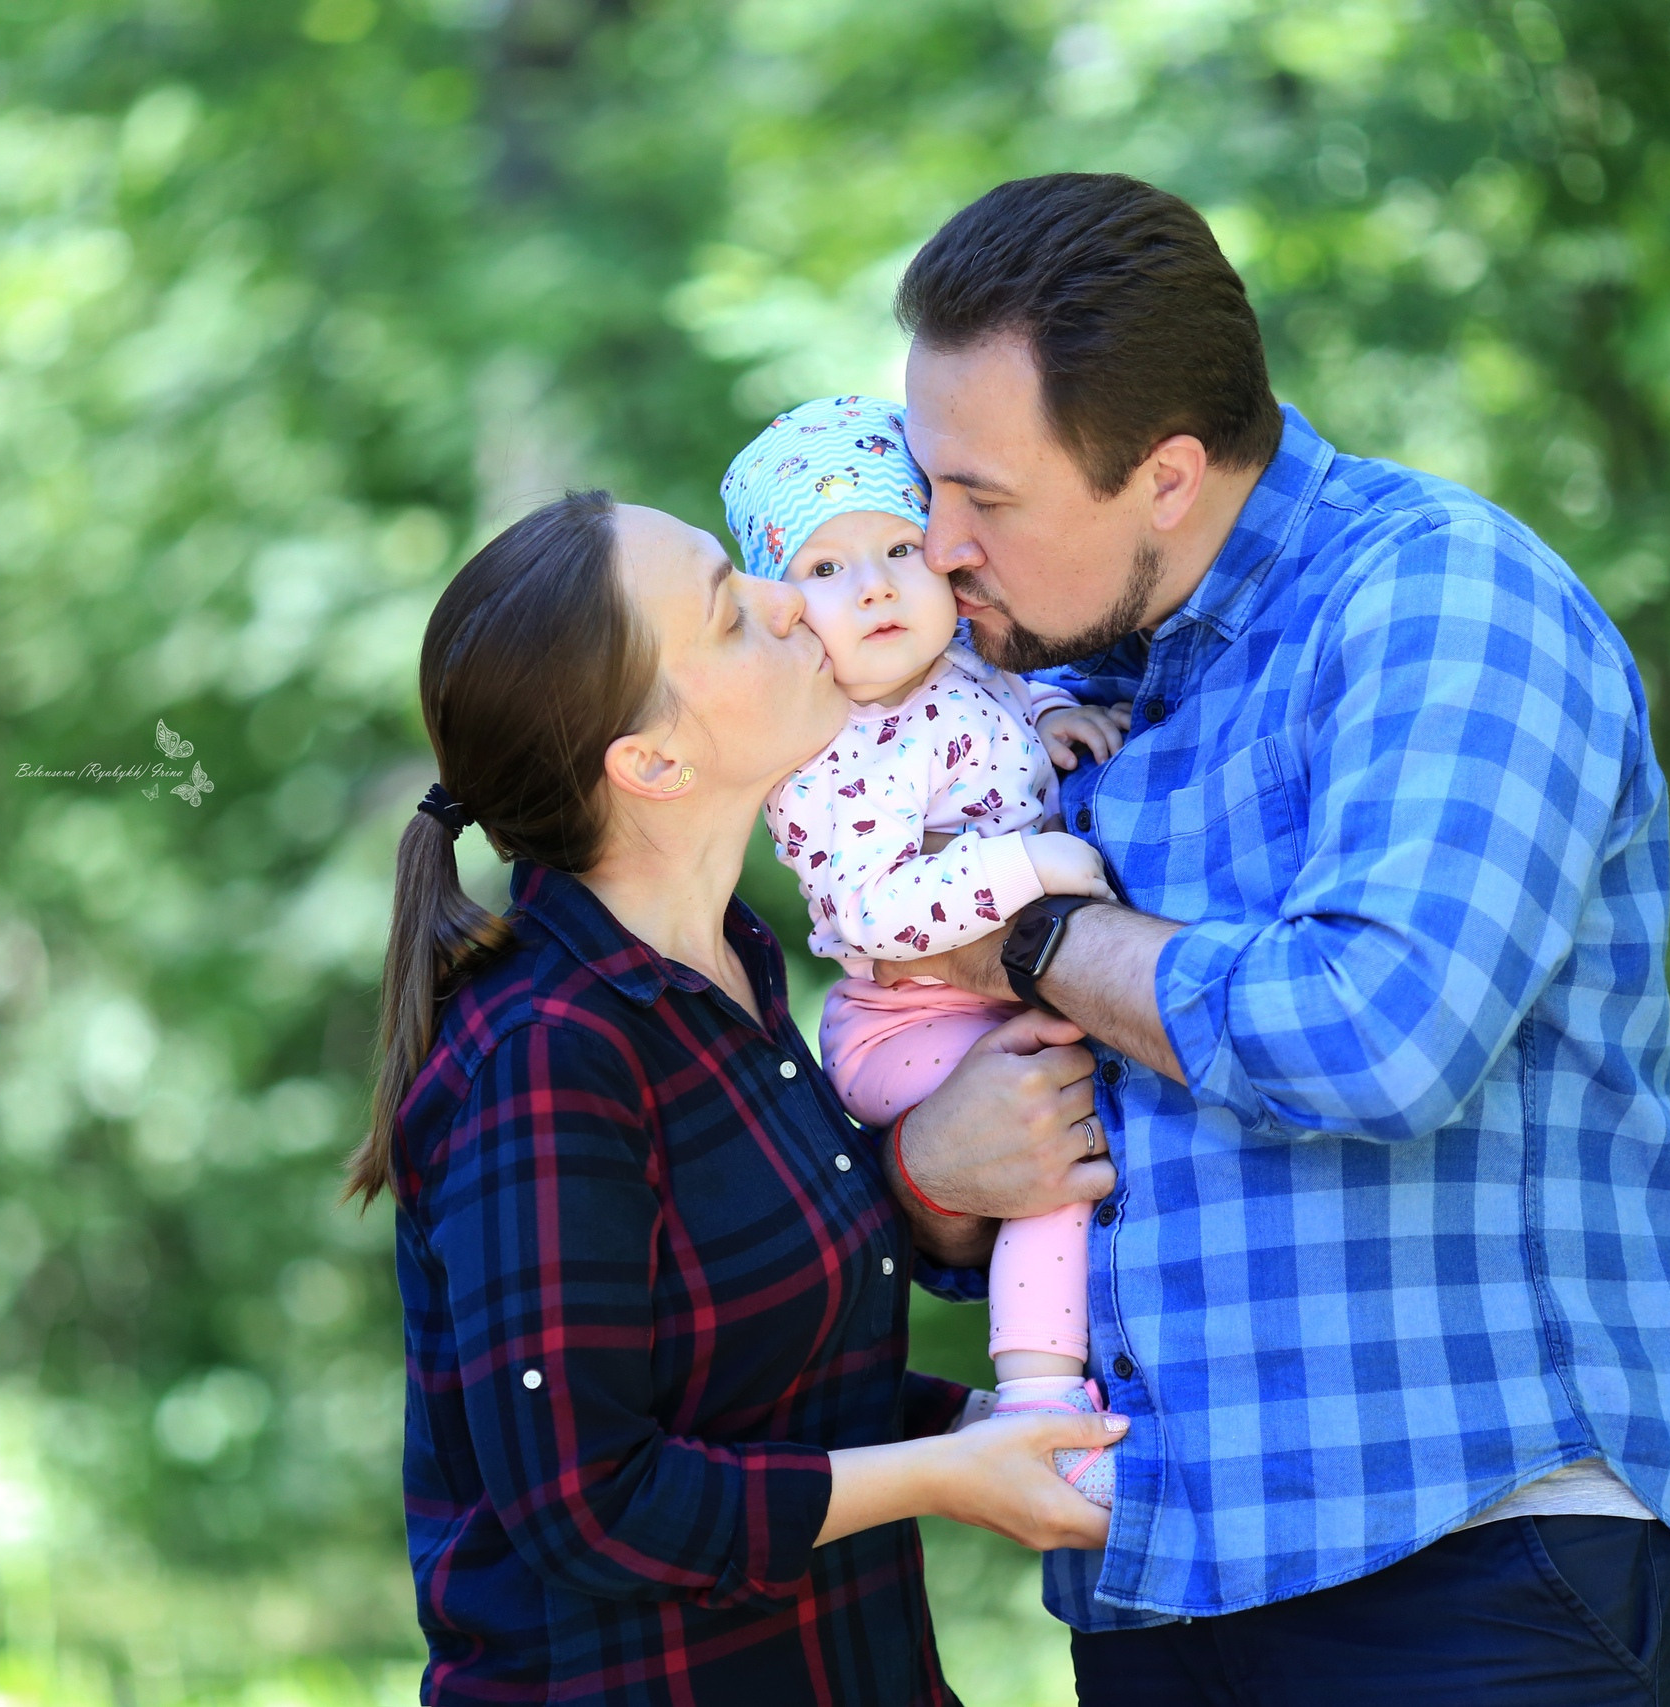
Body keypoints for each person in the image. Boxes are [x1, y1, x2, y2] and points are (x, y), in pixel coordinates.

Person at [876, 173, 1670, 1703]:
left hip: (1470, 1564)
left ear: (1165, 474)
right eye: (924, 480)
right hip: (1174, 1569)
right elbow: (1036, 1141)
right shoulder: (1042, 683)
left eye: (986, 500)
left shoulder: (1438, 598)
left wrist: (1031, 940)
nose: (933, 544)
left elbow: (1381, 1030)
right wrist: (936, 1172)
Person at [348, 489, 1125, 1705]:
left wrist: (986, 1420)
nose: (790, 600)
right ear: (650, 761)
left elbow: (763, 1392)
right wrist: (947, 1473)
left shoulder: (739, 966)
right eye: (729, 612)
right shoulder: (543, 1051)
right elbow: (592, 1507)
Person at [720, 393, 1132, 1505]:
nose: (875, 586)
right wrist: (1028, 872)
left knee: (1084, 1115)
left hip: (980, 996)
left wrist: (1048, 718)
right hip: (903, 1026)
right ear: (785, 610)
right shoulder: (821, 756)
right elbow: (874, 913)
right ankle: (1043, 1400)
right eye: (826, 568)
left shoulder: (962, 670)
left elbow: (1000, 721)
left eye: (901, 546)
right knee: (1050, 1155)